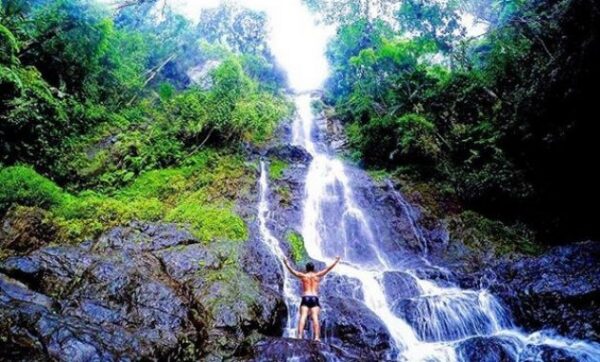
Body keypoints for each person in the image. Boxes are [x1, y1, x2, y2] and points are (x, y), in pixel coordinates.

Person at [283, 256, 341, 341]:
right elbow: (328, 269)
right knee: (315, 317)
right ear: (313, 269)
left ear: (306, 269)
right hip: (314, 298)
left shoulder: (303, 275)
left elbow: (292, 271)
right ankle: (317, 337)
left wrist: (286, 263)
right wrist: (336, 261)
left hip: (305, 297)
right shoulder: (317, 275)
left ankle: (299, 336)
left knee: (303, 316)